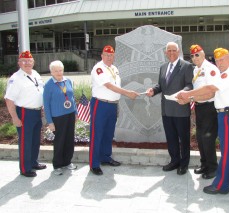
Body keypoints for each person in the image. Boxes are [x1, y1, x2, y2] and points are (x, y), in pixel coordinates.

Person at [177, 48, 229, 193]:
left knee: (227, 151)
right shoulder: (224, 73)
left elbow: (210, 88)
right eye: (217, 60)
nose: (219, 63)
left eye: (222, 59)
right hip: (228, 114)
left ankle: (221, 185)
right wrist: (191, 98)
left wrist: (188, 94)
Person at [90, 45, 139, 175]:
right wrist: (127, 93)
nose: (109, 57)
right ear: (102, 55)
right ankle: (94, 164)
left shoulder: (114, 68)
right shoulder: (99, 68)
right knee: (97, 134)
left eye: (111, 55)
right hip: (100, 104)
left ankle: (106, 157)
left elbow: (116, 86)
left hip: (112, 104)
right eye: (106, 55)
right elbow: (108, 85)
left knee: (108, 133)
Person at [146, 42, 194, 175]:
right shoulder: (163, 67)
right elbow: (160, 85)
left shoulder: (186, 66)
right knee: (171, 137)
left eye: (174, 50)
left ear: (178, 51)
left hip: (180, 108)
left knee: (183, 139)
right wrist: (153, 90)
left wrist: (183, 92)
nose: (171, 53)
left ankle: (184, 164)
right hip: (166, 110)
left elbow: (190, 85)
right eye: (169, 51)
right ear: (165, 53)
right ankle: (174, 161)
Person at [4, 51, 46, 177]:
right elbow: (9, 99)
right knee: (25, 141)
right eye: (24, 61)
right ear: (19, 63)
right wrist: (15, 118)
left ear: (33, 62)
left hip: (37, 112)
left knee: (35, 140)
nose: (27, 63)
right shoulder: (15, 78)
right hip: (24, 112)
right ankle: (25, 168)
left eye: (29, 61)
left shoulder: (36, 74)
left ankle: (33, 162)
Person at [189, 44, 219, 179]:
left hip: (209, 107)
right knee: (200, 138)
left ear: (203, 55)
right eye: (192, 55)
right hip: (199, 107)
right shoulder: (196, 70)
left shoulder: (210, 69)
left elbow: (211, 93)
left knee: (208, 139)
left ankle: (212, 168)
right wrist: (194, 100)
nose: (194, 58)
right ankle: (204, 164)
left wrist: (191, 97)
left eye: (197, 55)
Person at [43, 60, 78, 176]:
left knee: (69, 138)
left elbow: (72, 98)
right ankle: (57, 165)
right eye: (56, 71)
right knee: (60, 140)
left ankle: (67, 162)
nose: (59, 73)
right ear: (51, 72)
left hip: (70, 114)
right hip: (57, 116)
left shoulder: (68, 81)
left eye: (60, 70)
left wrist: (75, 112)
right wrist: (50, 122)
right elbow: (46, 104)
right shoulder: (48, 85)